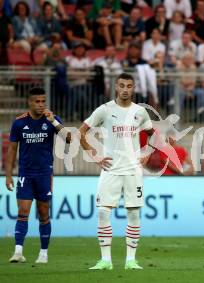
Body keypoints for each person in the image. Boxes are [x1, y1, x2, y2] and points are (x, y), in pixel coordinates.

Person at [79, 73, 153, 270]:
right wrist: (95, 157)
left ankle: (131, 260)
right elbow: (81, 132)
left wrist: (147, 152)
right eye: (122, 85)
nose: (126, 89)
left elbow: (154, 135)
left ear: (134, 88)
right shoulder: (105, 110)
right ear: (116, 87)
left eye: (129, 85)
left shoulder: (140, 112)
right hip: (111, 170)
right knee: (103, 212)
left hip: (133, 170)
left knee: (134, 213)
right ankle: (106, 260)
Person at [5, 87, 71, 264]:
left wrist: (54, 122)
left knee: (43, 213)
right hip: (25, 173)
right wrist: (9, 174)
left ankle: (43, 254)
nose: (41, 105)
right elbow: (12, 150)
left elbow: (69, 138)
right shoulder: (19, 123)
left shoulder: (51, 119)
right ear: (30, 102)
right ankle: (18, 252)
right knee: (23, 211)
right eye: (37, 101)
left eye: (43, 101)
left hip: (44, 174)